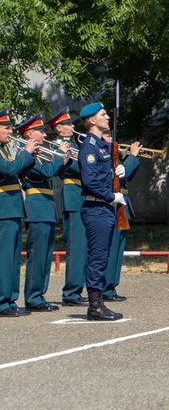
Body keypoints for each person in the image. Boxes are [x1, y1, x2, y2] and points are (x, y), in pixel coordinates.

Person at [78, 102, 126, 321]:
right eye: (103, 115)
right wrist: (110, 196)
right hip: (96, 207)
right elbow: (89, 181)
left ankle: (98, 303)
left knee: (103, 255)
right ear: (91, 120)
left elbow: (103, 175)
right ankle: (95, 306)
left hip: (104, 208)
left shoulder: (102, 145)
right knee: (97, 257)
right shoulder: (89, 146)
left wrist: (118, 171)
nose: (107, 117)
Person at [18, 113, 71, 311]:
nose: (43, 133)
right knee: (37, 255)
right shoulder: (24, 153)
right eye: (40, 130)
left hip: (47, 205)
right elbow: (46, 172)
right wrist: (59, 154)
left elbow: (54, 170)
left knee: (46, 254)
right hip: (36, 206)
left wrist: (63, 158)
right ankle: (33, 298)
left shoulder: (40, 152)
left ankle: (39, 295)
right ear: (29, 133)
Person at [48, 107, 89, 307]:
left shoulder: (73, 144)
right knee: (77, 247)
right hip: (73, 195)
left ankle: (78, 289)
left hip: (83, 195)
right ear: (58, 128)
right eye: (68, 124)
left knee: (85, 247)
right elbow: (76, 167)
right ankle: (71, 292)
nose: (73, 127)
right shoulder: (58, 146)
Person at [0, 108, 36, 317]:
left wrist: (30, 158)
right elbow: (8, 170)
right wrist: (25, 153)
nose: (10, 131)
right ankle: (2, 302)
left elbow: (17, 173)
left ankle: (10, 300)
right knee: (5, 258)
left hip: (12, 208)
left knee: (13, 259)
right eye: (5, 127)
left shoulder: (4, 149)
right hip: (4, 210)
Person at [103, 132, 141, 301]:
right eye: (106, 136)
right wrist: (132, 157)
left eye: (111, 136)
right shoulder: (101, 154)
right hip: (112, 203)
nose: (110, 139)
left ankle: (112, 285)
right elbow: (114, 176)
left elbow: (126, 176)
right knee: (111, 248)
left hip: (123, 203)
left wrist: (130, 162)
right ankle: (106, 287)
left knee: (118, 249)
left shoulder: (113, 154)